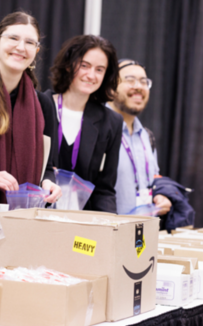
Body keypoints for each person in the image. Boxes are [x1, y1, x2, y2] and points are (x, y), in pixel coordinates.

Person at [0, 11, 61, 203]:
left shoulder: (44, 104)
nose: (21, 47)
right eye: (13, 38)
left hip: (24, 218)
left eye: (30, 42)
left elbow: (48, 167)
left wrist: (49, 183)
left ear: (36, 51)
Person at [43, 35, 123, 212]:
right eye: (84, 65)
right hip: (38, 215)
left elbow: (105, 189)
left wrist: (109, 227)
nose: (91, 75)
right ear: (68, 64)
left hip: (82, 222)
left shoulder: (111, 122)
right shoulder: (39, 106)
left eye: (100, 69)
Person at [108, 59, 171, 215]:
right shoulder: (96, 131)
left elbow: (153, 179)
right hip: (103, 232)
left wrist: (160, 195)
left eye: (144, 82)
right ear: (110, 87)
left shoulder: (147, 136)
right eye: (130, 80)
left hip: (140, 235)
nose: (138, 87)